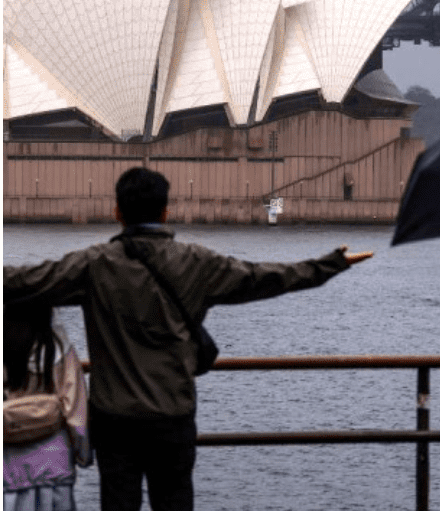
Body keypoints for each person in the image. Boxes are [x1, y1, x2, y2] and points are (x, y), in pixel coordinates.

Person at [3, 167, 373, 511]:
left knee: (118, 502)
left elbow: (28, 281)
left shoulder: (94, 264)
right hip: (173, 414)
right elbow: (265, 277)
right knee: (175, 499)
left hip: (115, 418)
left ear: (118, 211)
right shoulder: (196, 262)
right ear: (165, 212)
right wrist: (329, 264)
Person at [4, 305, 92, 511]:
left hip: (8, 464)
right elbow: (76, 411)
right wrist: (84, 455)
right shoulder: (59, 347)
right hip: (54, 461)